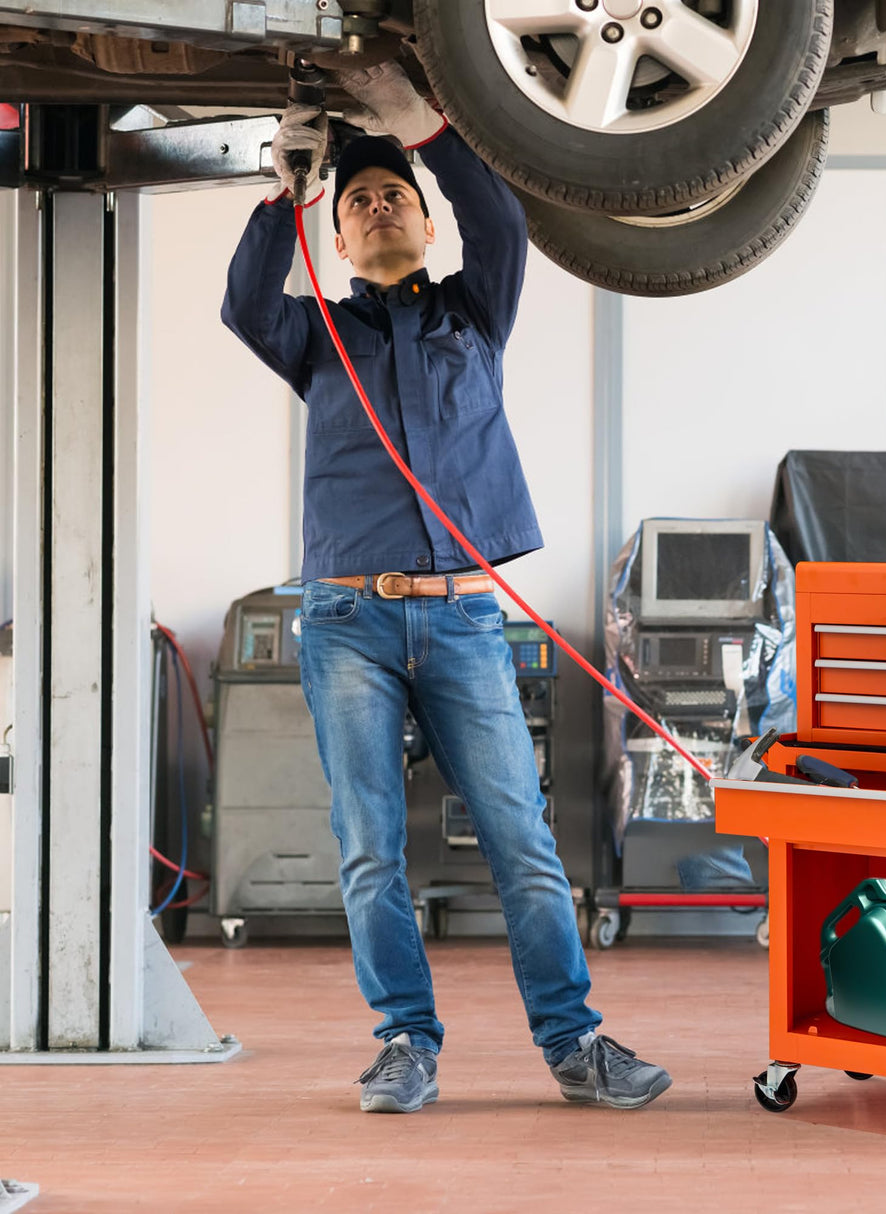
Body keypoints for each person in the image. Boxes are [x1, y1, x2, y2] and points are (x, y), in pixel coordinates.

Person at [220, 63, 671, 1114]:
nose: (375, 206)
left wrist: (420, 133)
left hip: (465, 618)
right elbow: (245, 302)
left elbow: (502, 221)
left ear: (426, 226)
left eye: (395, 198)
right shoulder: (314, 336)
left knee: (520, 838)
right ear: (338, 239)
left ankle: (574, 1040)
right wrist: (287, 190)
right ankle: (404, 1043)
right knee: (372, 847)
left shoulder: (476, 312)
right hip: (345, 623)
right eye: (358, 201)